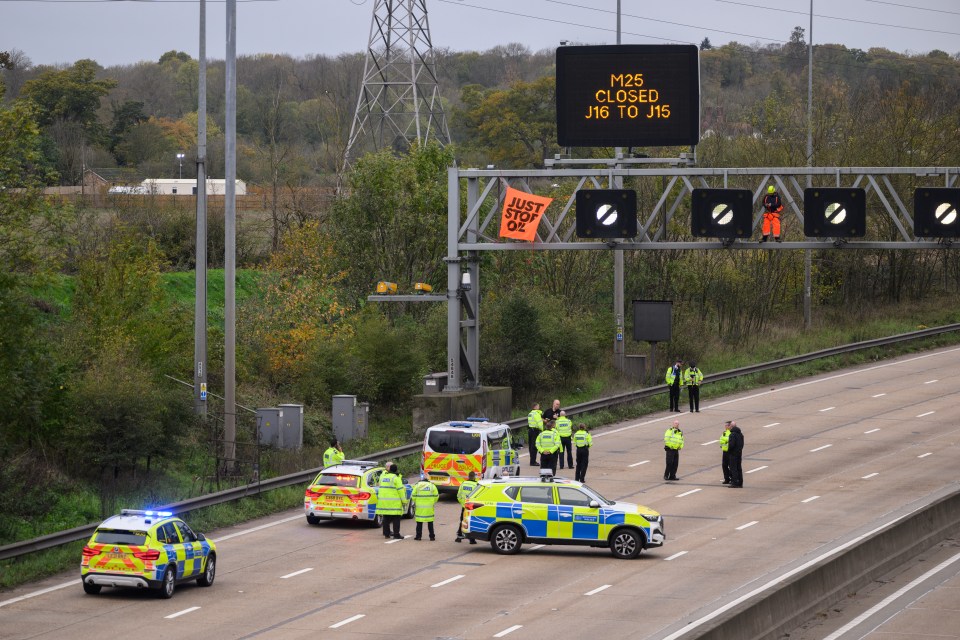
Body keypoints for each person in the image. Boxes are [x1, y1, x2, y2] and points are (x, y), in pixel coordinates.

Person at [377, 462, 405, 539]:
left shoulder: (383, 477)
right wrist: (404, 501)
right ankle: (396, 534)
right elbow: (400, 490)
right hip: (394, 503)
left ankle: (386, 534)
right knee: (396, 519)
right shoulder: (396, 478)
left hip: (384, 502)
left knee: (386, 518)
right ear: (396, 470)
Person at [411, 473, 439, 541]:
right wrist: (432, 502)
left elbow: (413, 496)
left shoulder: (417, 486)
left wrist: (417, 502)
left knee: (419, 523)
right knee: (430, 523)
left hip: (419, 508)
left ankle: (418, 536)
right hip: (429, 508)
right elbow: (436, 496)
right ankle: (432, 537)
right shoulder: (432, 486)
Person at [455, 471, 478, 544]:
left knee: (462, 521)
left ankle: (459, 537)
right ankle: (472, 539)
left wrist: (463, 504)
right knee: (471, 522)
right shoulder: (476, 485)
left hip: (464, 506)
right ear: (474, 477)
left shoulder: (463, 484)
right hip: (472, 507)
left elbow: (458, 496)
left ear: (468, 476)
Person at [727, 422, 744, 488]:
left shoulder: (732, 434)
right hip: (739, 453)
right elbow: (742, 444)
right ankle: (740, 482)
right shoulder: (740, 434)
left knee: (733, 468)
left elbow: (731, 445)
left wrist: (729, 450)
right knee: (739, 468)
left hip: (733, 454)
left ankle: (734, 482)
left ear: (731, 426)